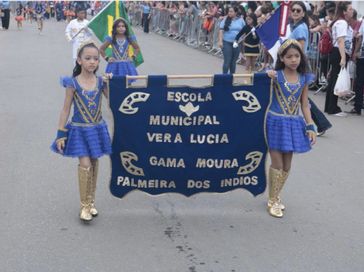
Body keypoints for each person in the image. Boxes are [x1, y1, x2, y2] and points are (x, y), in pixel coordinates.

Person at [51, 41, 112, 222]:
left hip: (96, 129)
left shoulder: (101, 82)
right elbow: (65, 109)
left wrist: (112, 83)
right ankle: (84, 206)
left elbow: (114, 101)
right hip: (79, 130)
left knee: (93, 163)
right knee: (85, 164)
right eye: (88, 58)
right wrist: (60, 134)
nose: (92, 62)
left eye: (95, 58)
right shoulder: (72, 84)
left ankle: (91, 202)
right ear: (79, 61)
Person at [266, 39, 317, 218]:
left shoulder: (304, 78)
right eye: (289, 57)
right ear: (282, 58)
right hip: (274, 122)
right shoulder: (275, 75)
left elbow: (305, 105)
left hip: (294, 124)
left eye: (297, 56)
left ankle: (277, 195)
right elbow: (256, 86)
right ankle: (272, 200)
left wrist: (310, 125)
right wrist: (265, 75)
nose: (294, 60)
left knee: (287, 165)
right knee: (277, 163)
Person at [289, 1, 332, 136]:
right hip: (296, 64)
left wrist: (293, 65)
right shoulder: (295, 26)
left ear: (303, 13)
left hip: (298, 65)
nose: (295, 12)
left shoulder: (300, 28)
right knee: (301, 96)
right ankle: (319, 123)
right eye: (293, 10)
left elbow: (299, 50)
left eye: (298, 10)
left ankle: (320, 123)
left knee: (303, 96)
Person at [324, 1, 354, 116]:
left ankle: (330, 106)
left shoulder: (340, 22)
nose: (352, 11)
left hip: (337, 52)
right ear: (345, 11)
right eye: (350, 9)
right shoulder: (341, 23)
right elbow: (341, 40)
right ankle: (333, 108)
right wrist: (343, 57)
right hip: (339, 52)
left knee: (333, 80)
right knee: (336, 80)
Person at [218, 6, 245, 74]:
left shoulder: (241, 20)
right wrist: (220, 41)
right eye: (229, 11)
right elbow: (221, 30)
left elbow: (245, 30)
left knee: (233, 62)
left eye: (231, 11)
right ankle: (224, 78)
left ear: (235, 12)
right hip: (227, 42)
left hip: (236, 43)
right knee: (227, 61)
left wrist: (242, 38)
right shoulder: (225, 19)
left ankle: (231, 79)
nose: (229, 13)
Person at [348, 17, 364, 115]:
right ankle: (357, 106)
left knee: (359, 81)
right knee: (359, 81)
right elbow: (360, 38)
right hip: (362, 55)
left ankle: (357, 106)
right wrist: (355, 51)